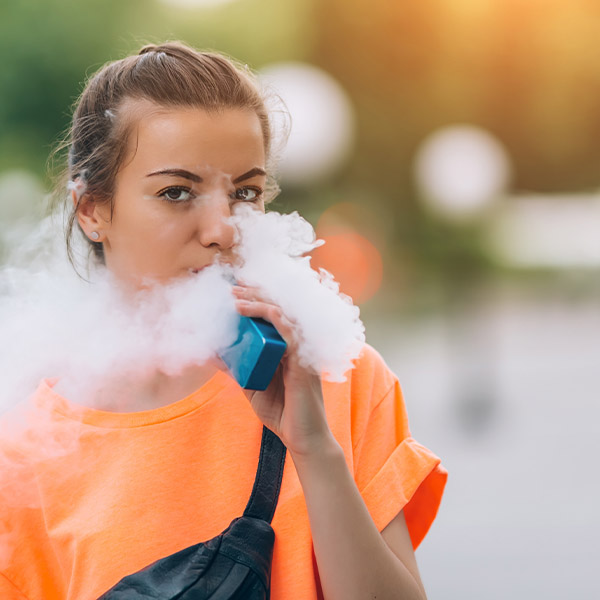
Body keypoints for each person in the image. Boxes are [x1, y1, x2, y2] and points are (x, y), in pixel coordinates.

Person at [0, 41, 447, 599]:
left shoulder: (338, 378)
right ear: (92, 210)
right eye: (177, 192)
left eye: (245, 192)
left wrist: (315, 449)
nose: (222, 229)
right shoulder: (25, 454)